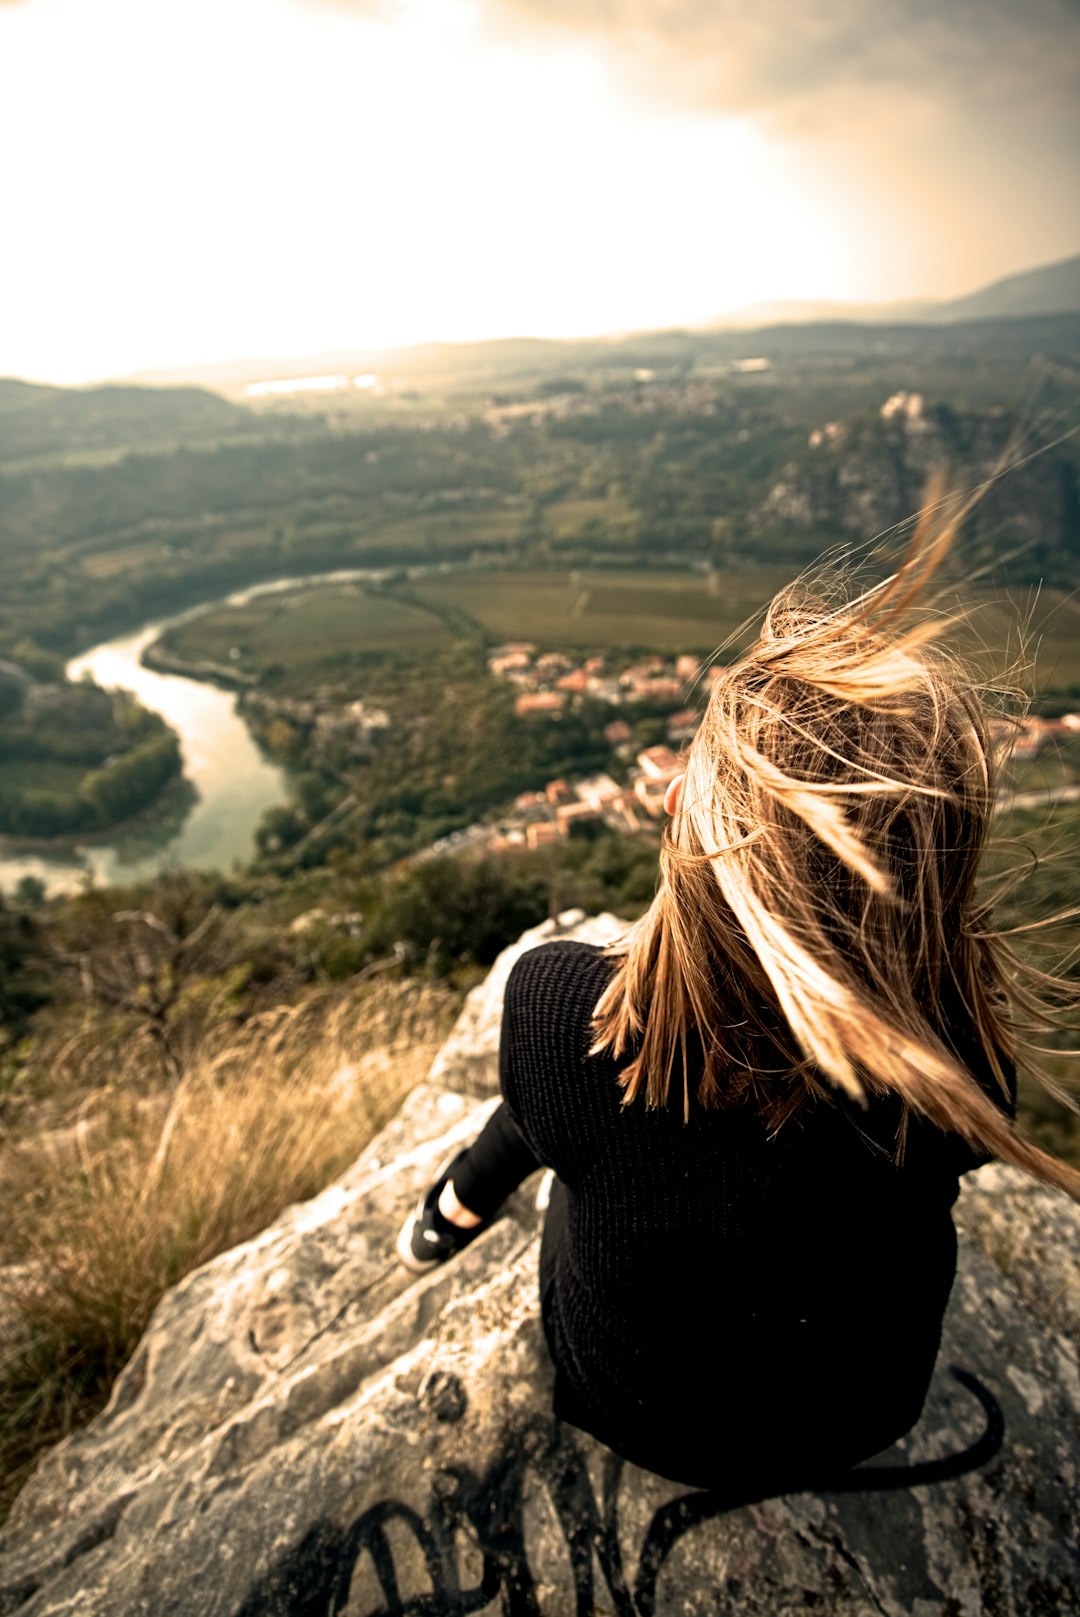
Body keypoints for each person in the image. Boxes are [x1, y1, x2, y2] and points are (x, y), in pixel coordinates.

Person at [396, 505, 1080, 1496]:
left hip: (637, 1411)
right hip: (862, 1414)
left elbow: (593, 1085)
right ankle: (464, 1198)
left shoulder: (552, 1002)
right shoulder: (959, 1058)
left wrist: (661, 950)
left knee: (567, 1103)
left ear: (687, 817)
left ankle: (456, 1204)